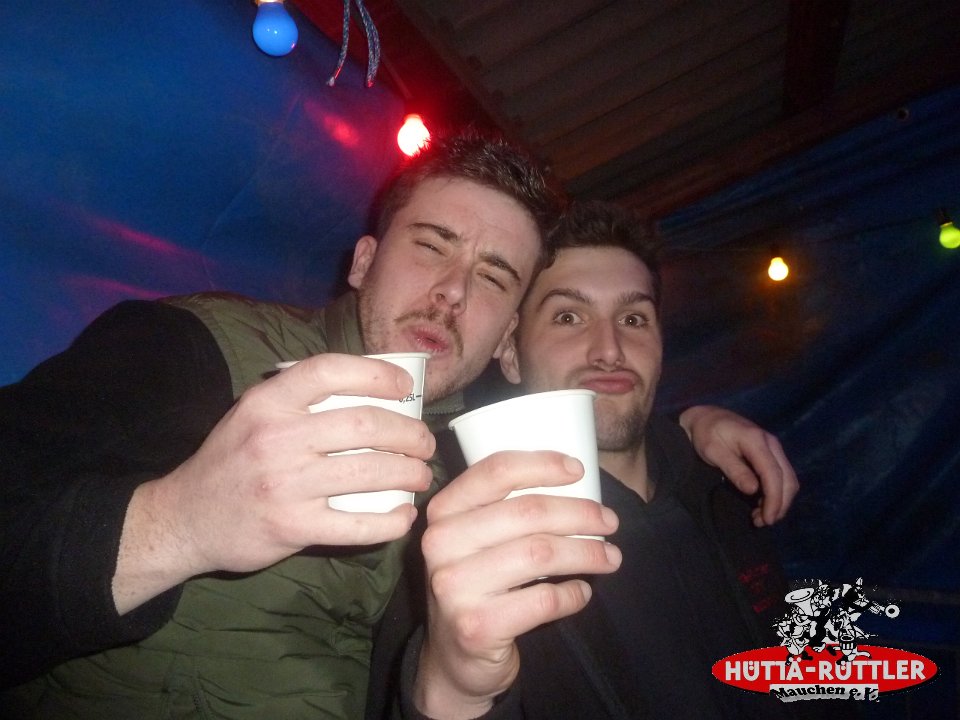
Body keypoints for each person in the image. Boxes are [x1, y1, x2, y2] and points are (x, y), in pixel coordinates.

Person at [0, 134, 794, 719]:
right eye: (431, 247)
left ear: (504, 335)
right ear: (361, 261)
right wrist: (177, 524)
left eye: (493, 277)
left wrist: (685, 433)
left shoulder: (477, 463)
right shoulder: (196, 349)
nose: (452, 292)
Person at [372, 200, 815, 720]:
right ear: (511, 353)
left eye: (633, 318)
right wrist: (450, 691)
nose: (609, 349)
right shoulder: (463, 543)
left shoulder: (728, 489)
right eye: (568, 316)